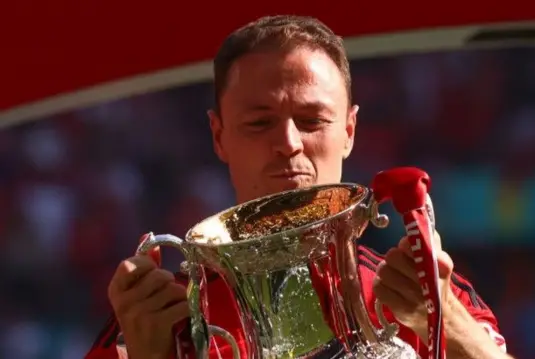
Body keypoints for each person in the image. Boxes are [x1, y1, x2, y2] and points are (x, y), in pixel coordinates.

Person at [85, 15, 511, 359]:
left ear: (349, 130)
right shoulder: (157, 319)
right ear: (219, 136)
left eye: (312, 122)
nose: (288, 144)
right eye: (259, 123)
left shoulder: (421, 295)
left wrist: (447, 323)